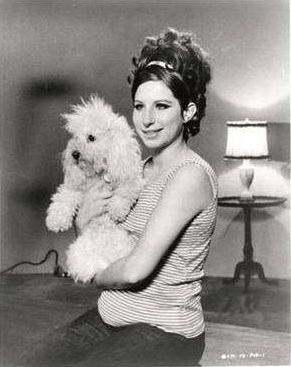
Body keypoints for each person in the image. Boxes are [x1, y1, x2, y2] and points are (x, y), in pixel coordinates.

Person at [24, 28, 217, 367]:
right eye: (139, 106)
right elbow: (98, 236)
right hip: (111, 317)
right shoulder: (135, 171)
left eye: (161, 106)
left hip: (166, 331)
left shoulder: (190, 175)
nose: (147, 119)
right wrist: (82, 222)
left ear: (187, 112)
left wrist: (83, 272)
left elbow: (134, 272)